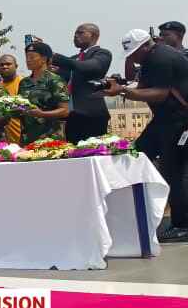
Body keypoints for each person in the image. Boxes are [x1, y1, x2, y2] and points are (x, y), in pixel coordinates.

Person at [102, 29, 188, 242]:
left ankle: (183, 225)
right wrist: (119, 86)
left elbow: (159, 94)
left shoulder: (162, 57)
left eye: (134, 53)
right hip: (164, 120)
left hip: (180, 120)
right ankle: (139, 210)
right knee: (138, 153)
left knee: (174, 170)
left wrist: (122, 91)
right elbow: (142, 86)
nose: (132, 57)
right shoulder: (151, 58)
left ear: (146, 46)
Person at [52, 23, 112, 144]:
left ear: (93, 35)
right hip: (72, 116)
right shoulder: (73, 59)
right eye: (75, 33)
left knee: (94, 152)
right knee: (74, 156)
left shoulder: (102, 54)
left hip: (93, 116)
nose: (75, 36)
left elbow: (91, 67)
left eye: (80, 32)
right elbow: (59, 79)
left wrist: (58, 58)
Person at [19, 42, 70, 145]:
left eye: (32, 57)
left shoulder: (55, 80)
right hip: (28, 138)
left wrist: (41, 114)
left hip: (50, 138)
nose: (28, 60)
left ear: (44, 59)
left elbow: (65, 111)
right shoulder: (24, 82)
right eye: (27, 57)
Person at [0, 55, 23, 144]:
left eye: (8, 64)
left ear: (16, 66)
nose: (4, 66)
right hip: (8, 141)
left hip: (25, 137)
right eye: (1, 65)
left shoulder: (24, 83)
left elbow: (28, 107)